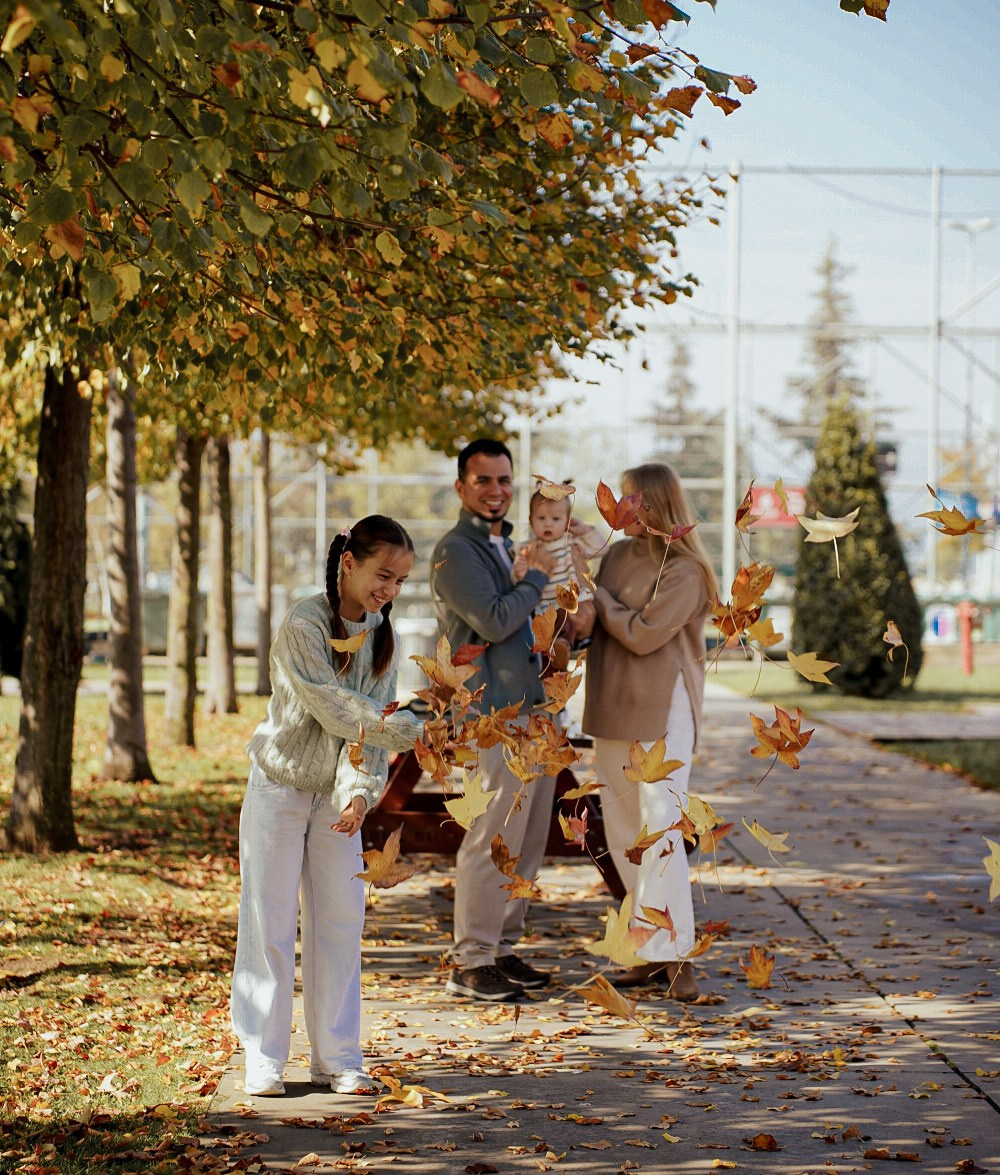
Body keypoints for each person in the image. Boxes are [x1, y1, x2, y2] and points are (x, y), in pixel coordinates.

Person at [231, 515, 425, 1097]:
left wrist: (360, 796)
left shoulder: (385, 640)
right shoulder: (304, 624)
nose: (389, 590)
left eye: (399, 581)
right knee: (267, 922)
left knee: (341, 922)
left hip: (338, 803)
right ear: (349, 563)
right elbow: (335, 709)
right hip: (280, 789)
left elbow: (367, 737)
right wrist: (419, 731)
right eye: (382, 574)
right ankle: (262, 1058)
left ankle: (338, 1058)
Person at [577, 463, 716, 998]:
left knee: (660, 834)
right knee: (622, 837)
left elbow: (641, 635)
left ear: (655, 505)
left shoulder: (687, 571)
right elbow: (593, 619)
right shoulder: (615, 553)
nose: (620, 510)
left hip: (663, 711)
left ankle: (678, 955)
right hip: (611, 708)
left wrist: (596, 592)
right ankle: (645, 949)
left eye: (630, 500)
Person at [430, 439, 557, 1001]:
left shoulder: (507, 546)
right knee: (490, 836)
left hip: (533, 711)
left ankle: (502, 947)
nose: (495, 490)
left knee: (526, 841)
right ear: (462, 487)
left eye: (504, 481)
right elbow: (494, 618)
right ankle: (470, 959)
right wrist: (536, 580)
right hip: (490, 716)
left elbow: (528, 626)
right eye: (482, 480)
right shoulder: (457, 551)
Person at [512, 487, 604, 611]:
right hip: (544, 608)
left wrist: (586, 531)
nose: (548, 524)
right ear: (531, 520)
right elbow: (514, 580)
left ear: (567, 522)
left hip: (573, 602)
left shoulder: (571, 542)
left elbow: (600, 549)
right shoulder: (527, 549)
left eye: (556, 519)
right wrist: (518, 573)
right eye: (541, 518)